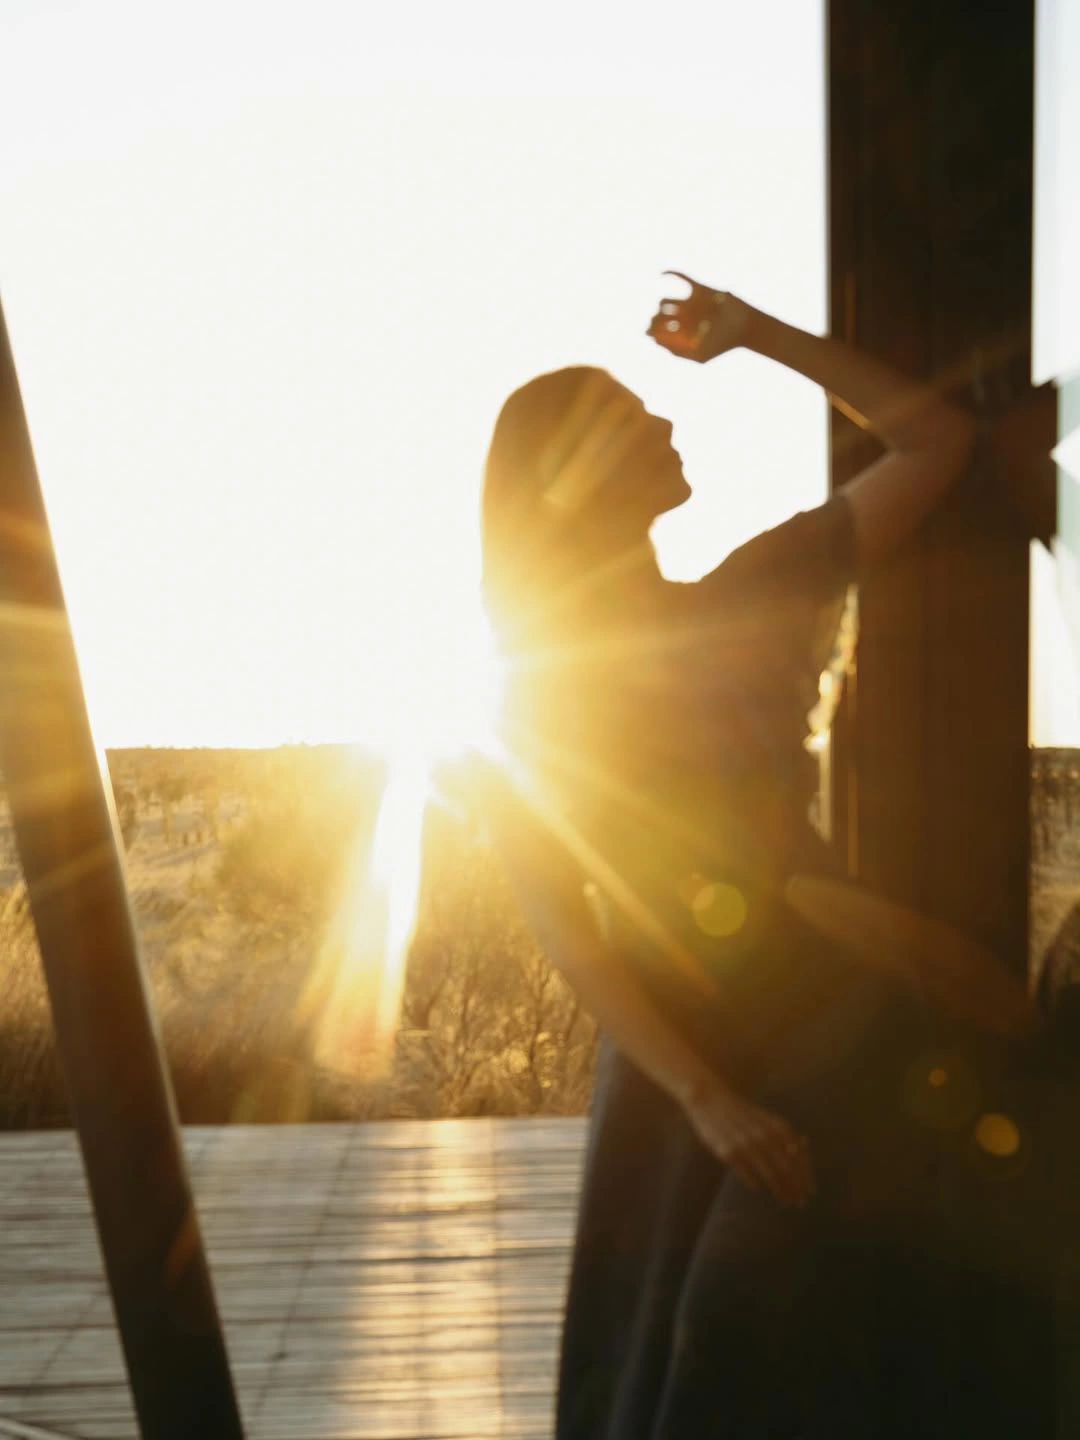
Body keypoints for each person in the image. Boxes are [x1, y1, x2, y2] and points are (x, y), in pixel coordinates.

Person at [473, 274, 1037, 1437]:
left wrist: (758, 336)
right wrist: (705, 1095)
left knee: (792, 1347)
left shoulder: (755, 592)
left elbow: (936, 442)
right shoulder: (540, 683)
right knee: (672, 1363)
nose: (669, 421)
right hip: (682, 1073)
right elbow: (566, 928)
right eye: (637, 420)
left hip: (831, 1029)